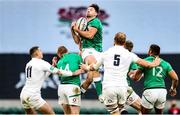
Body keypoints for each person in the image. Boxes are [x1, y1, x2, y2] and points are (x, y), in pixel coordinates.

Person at [80, 32, 160, 115]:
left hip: (109, 88)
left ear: (114, 41)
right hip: (123, 88)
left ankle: (120, 110)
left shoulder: (106, 53)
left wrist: (86, 67)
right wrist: (154, 63)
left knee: (115, 111)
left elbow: (94, 67)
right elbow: (145, 64)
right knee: (138, 110)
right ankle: (122, 109)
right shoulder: (129, 54)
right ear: (124, 42)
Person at [20, 46, 81, 114]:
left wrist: (52, 65)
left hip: (23, 94)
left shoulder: (29, 64)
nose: (41, 52)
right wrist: (72, 73)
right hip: (33, 95)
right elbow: (58, 71)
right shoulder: (41, 63)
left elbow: (42, 77)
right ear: (37, 53)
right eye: (40, 51)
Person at [133, 44, 179, 114]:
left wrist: (138, 73)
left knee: (142, 113)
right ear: (159, 53)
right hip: (162, 91)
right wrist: (173, 88)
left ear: (150, 51)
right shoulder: (165, 63)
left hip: (150, 90)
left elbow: (136, 78)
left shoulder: (145, 61)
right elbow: (175, 78)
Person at [71, 4, 103, 100]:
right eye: (88, 9)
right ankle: (101, 94)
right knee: (93, 66)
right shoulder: (82, 23)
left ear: (96, 13)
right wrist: (73, 30)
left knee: (89, 79)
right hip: (87, 50)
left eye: (91, 9)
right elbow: (77, 41)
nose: (88, 10)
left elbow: (90, 35)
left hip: (97, 51)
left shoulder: (95, 21)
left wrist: (77, 30)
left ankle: (78, 95)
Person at [52, 46, 83, 115]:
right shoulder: (75, 56)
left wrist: (54, 64)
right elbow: (83, 68)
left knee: (67, 113)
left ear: (59, 54)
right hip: (73, 86)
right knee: (75, 113)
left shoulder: (59, 62)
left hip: (61, 88)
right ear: (67, 51)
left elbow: (56, 72)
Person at [124, 40, 142, 114]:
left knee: (118, 110)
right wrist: (141, 72)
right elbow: (133, 76)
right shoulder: (131, 57)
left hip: (109, 88)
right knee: (143, 109)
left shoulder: (111, 54)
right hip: (123, 87)